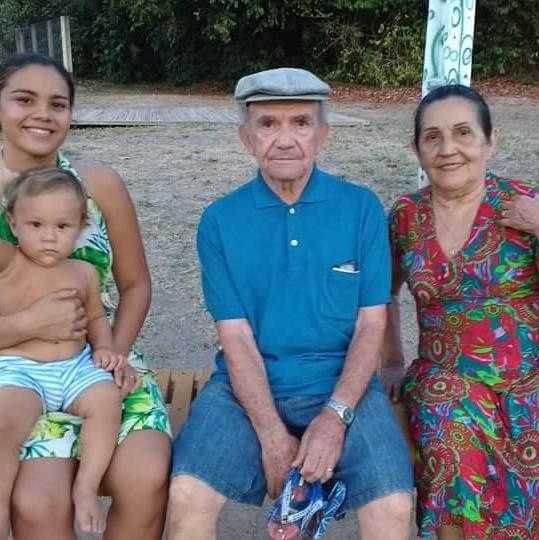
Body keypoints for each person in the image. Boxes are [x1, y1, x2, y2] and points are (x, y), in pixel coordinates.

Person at [169, 67, 413, 540]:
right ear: (246, 138)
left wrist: (335, 418)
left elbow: (371, 326)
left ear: (322, 134)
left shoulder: (360, 208)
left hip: (345, 387)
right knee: (187, 497)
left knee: (393, 506)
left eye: (300, 122)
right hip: (247, 389)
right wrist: (270, 434)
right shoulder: (220, 221)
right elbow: (235, 336)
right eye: (268, 124)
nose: (285, 140)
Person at [0, 52, 171, 540]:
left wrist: (113, 352)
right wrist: (27, 324)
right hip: (12, 371)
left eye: (58, 104)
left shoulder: (99, 185)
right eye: (24, 99)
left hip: (92, 361)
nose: (42, 114)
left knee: (146, 474)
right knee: (37, 502)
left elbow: (135, 285)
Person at [384, 84, 539, 539]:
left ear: (492, 141)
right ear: (416, 149)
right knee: (450, 431)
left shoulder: (525, 203)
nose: (448, 148)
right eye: (432, 137)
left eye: (463, 132)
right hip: (445, 377)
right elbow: (382, 293)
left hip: (528, 377)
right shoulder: (406, 216)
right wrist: (391, 360)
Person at [0, 168, 125, 538]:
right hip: (20, 369)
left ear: (81, 227)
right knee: (4, 425)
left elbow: (96, 318)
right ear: (13, 223)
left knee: (107, 400)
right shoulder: (9, 264)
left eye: (62, 226)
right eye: (35, 224)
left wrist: (105, 347)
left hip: (74, 367)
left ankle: (86, 486)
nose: (49, 237)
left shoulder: (84, 272)